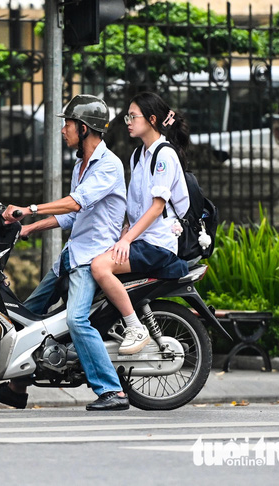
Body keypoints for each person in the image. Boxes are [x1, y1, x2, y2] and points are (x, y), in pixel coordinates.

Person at [0, 94, 130, 412]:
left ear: (85, 128)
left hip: (91, 259)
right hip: (72, 254)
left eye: (69, 124)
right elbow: (71, 217)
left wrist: (29, 209)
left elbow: (75, 203)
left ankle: (112, 391)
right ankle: (17, 389)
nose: (64, 129)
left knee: (76, 319)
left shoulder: (109, 165)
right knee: (26, 317)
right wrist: (29, 228)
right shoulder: (81, 165)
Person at [90, 91, 191, 355]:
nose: (128, 121)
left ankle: (135, 326)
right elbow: (136, 205)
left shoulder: (164, 156)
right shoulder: (138, 156)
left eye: (133, 116)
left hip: (158, 243)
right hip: (140, 238)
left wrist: (126, 239)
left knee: (100, 266)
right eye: (127, 116)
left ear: (152, 119)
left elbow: (157, 208)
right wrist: (124, 229)